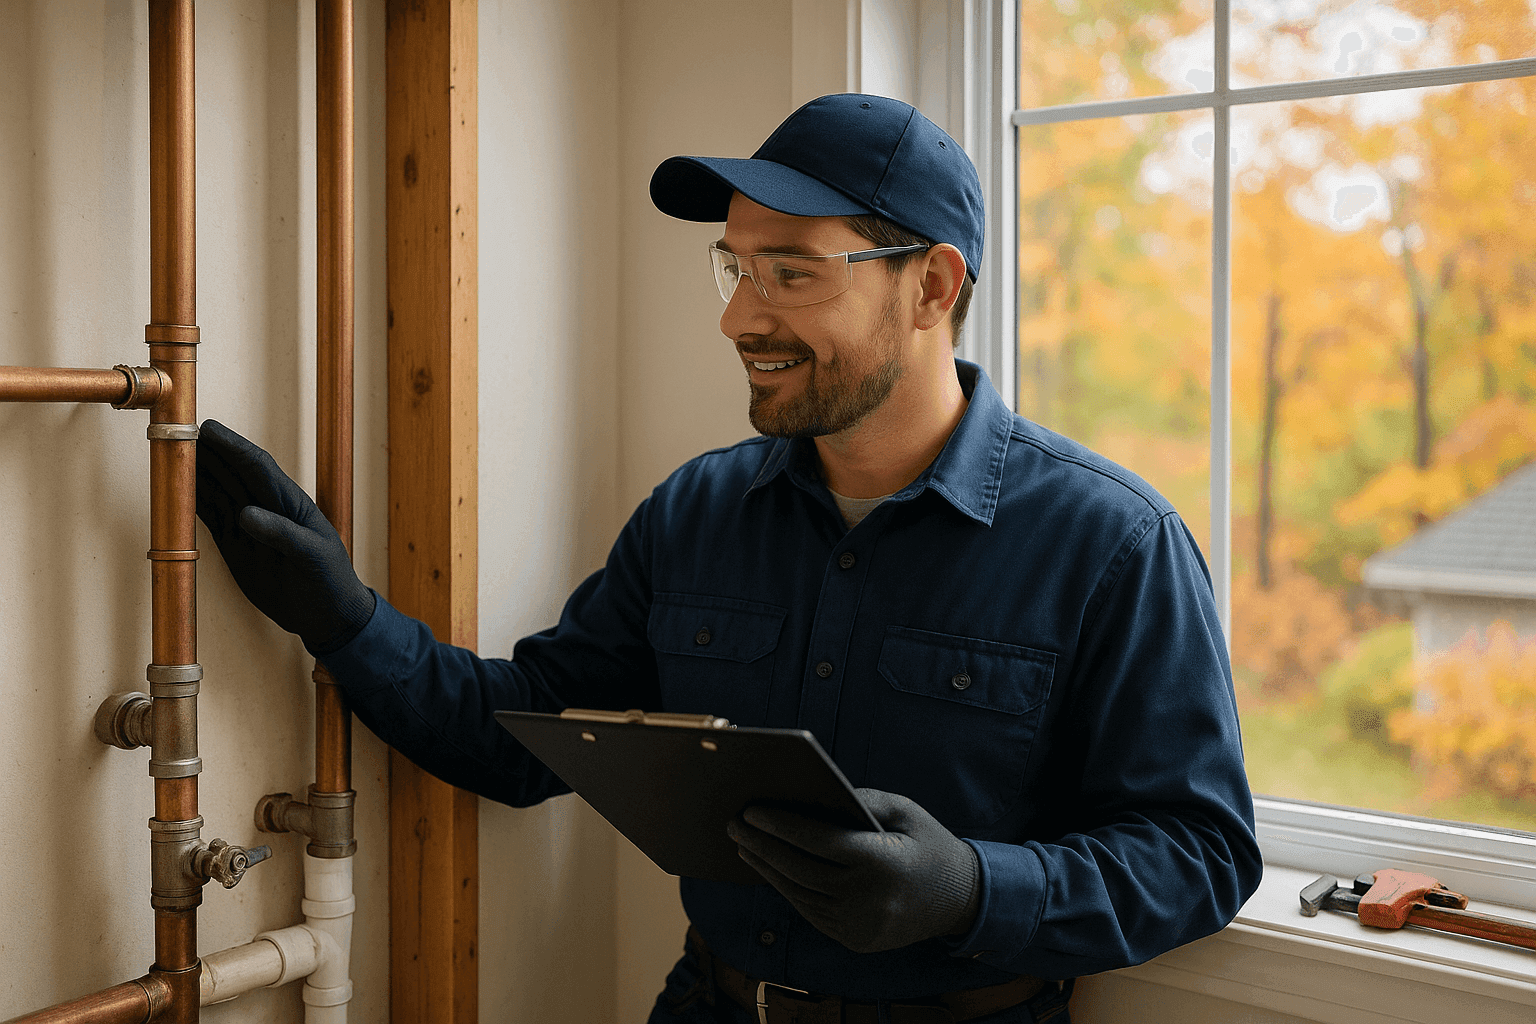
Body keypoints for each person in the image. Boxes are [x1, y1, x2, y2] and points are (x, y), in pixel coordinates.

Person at [197, 93, 1263, 1024]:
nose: (739, 316)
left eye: (791, 273)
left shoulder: (1113, 542)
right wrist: (344, 617)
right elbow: (531, 737)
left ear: (933, 288)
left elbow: (1201, 851)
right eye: (736, 266)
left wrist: (973, 887)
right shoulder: (695, 512)